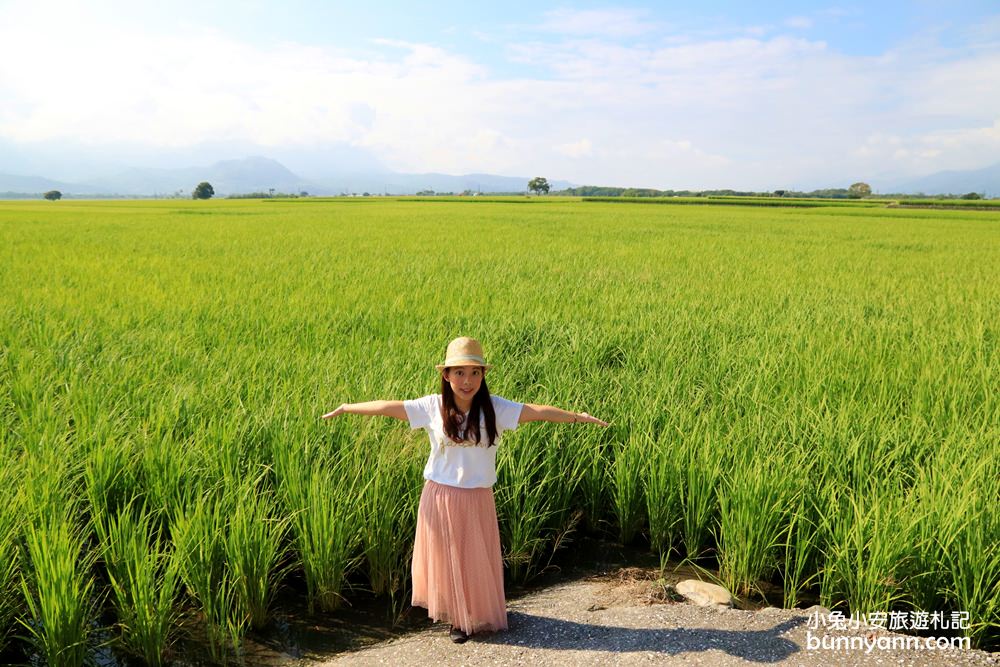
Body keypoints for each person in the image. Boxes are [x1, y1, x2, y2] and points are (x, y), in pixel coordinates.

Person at [321, 336, 608, 643]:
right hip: (440, 495)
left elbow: (537, 411)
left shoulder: (496, 408)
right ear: (446, 375)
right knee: (448, 559)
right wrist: (347, 407)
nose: (467, 380)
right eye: (459, 372)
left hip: (477, 496)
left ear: (483, 375)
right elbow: (387, 407)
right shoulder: (432, 406)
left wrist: (577, 418)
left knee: (474, 557)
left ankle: (475, 615)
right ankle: (458, 620)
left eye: (474, 373)